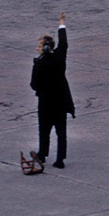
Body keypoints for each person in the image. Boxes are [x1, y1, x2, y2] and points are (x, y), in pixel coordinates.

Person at [30, 12, 74, 169]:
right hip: (61, 101)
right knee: (61, 131)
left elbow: (33, 84)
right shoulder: (60, 58)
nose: (37, 48)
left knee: (44, 129)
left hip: (46, 102)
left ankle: (42, 154)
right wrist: (61, 23)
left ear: (46, 48)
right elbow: (64, 44)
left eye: (39, 45)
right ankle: (60, 159)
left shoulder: (39, 64)